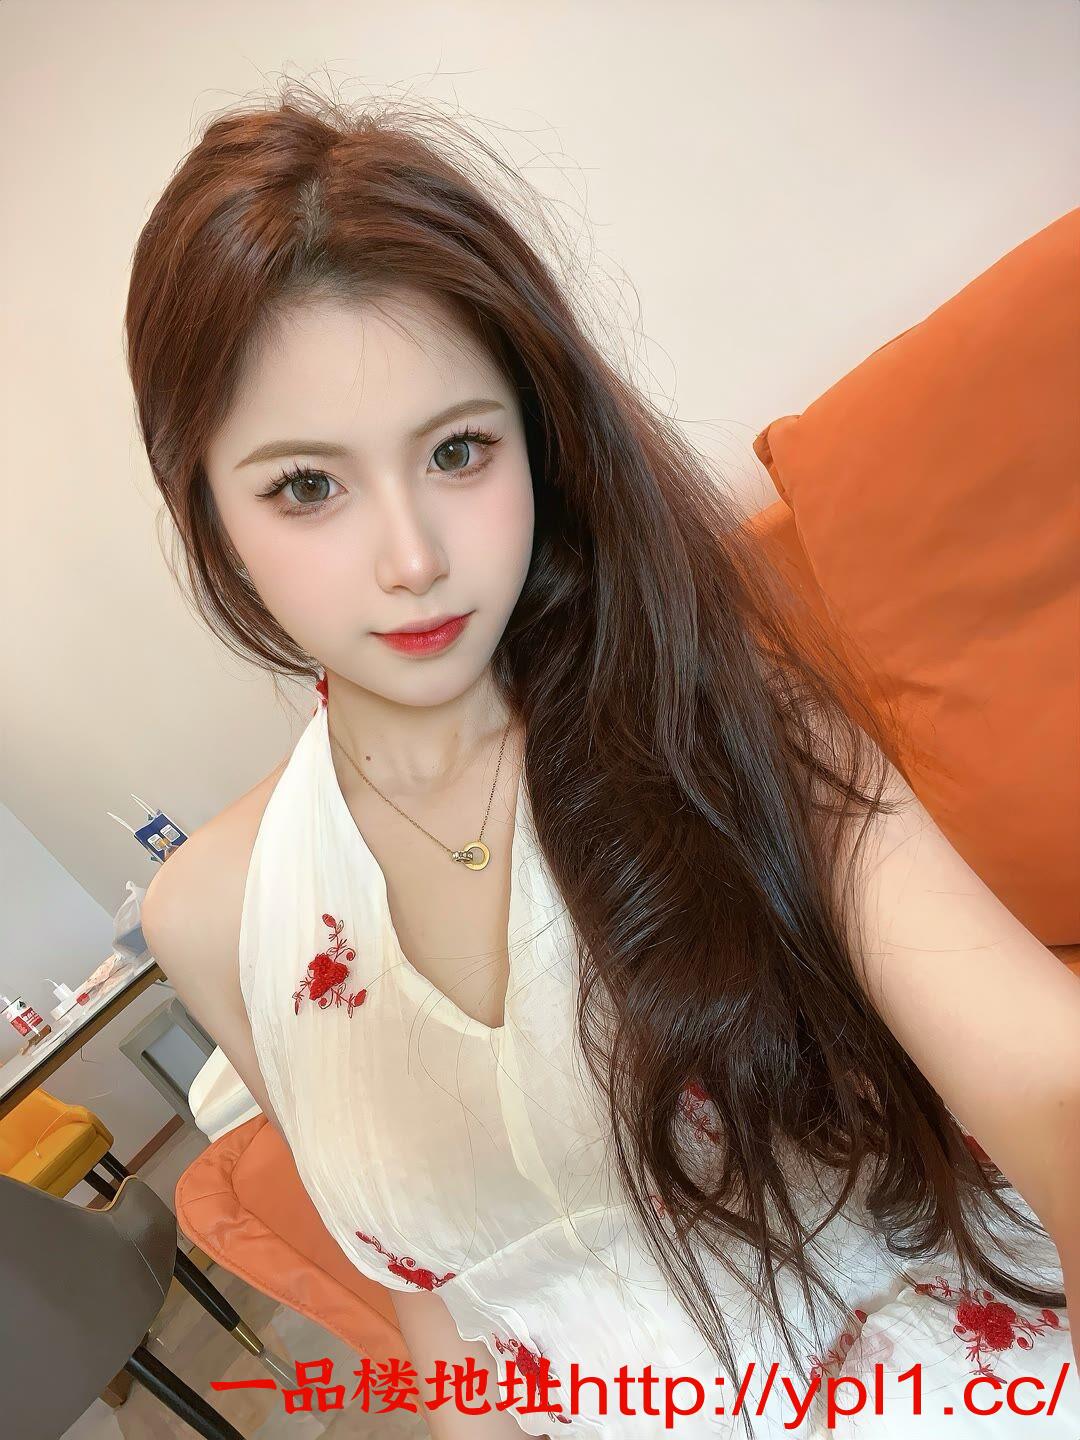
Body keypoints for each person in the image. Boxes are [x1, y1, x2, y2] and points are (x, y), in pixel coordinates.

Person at [132, 84, 1079, 1437]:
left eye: (459, 450)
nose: (412, 558)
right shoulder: (217, 914)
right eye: (307, 486)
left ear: (538, 439)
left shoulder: (699, 701)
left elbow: (1049, 1081)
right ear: (210, 512)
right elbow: (437, 1309)